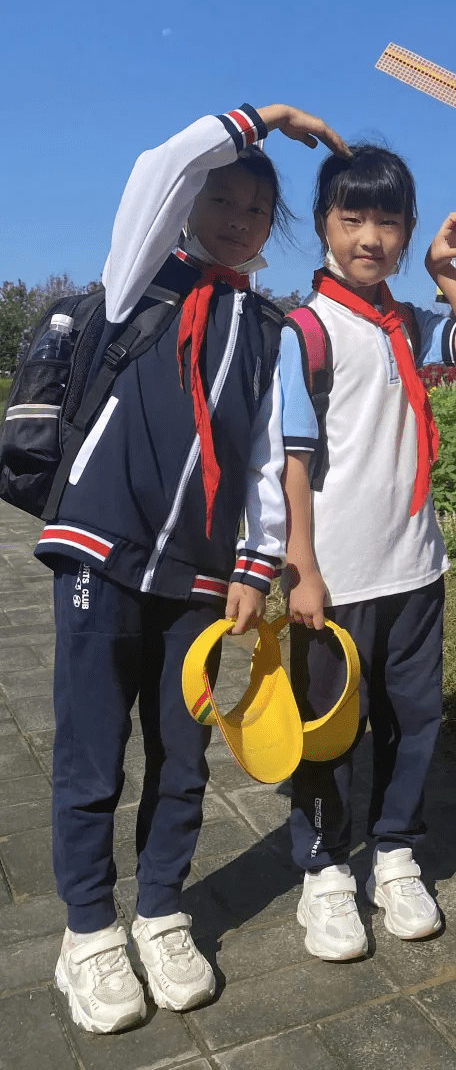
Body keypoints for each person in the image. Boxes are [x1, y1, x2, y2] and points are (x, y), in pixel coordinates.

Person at [36, 102, 347, 1034]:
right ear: (189, 204)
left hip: (206, 581)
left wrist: (257, 568)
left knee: (184, 755)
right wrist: (262, 121)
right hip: (103, 550)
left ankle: (162, 909)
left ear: (271, 229)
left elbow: (260, 460)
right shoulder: (141, 281)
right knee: (93, 753)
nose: (238, 216)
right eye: (224, 196)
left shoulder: (268, 329)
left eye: (258, 208)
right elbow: (159, 161)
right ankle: (88, 931)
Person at [280, 143, 456, 960]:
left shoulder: (409, 324)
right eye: (352, 219)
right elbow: (291, 462)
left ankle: (396, 851)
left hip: (416, 563)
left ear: (409, 233)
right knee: (329, 728)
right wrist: (298, 567)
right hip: (334, 576)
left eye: (388, 222)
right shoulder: (306, 330)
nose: (370, 237)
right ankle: (324, 870)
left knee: (413, 721)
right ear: (323, 226)